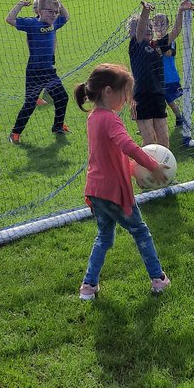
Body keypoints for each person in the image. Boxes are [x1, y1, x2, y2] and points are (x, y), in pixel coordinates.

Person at [75, 63, 171, 300]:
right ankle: (158, 279)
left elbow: (108, 155)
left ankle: (88, 287)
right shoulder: (110, 119)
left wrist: (134, 171)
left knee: (104, 237)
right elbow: (128, 146)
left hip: (96, 190)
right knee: (140, 231)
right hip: (114, 192)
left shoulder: (93, 117)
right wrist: (153, 166)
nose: (128, 99)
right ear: (108, 91)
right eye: (125, 94)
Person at [6, 0, 70, 142]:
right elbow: (9, 19)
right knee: (30, 103)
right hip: (34, 71)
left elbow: (66, 17)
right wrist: (20, 5)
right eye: (49, 11)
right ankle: (15, 133)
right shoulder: (31, 23)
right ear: (39, 11)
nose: (53, 15)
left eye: (55, 12)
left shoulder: (54, 23)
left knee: (62, 97)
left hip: (49, 71)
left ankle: (57, 126)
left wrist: (58, 2)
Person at [128, 0, 190, 147]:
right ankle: (144, 169)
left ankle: (162, 170)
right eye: (145, 26)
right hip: (142, 98)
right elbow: (140, 31)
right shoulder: (136, 45)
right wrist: (145, 12)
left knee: (164, 142)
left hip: (158, 96)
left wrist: (180, 12)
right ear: (133, 31)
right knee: (149, 142)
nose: (148, 28)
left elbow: (175, 31)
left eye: (151, 26)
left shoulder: (156, 45)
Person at [153, 11, 185, 129]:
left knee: (170, 101)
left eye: (162, 24)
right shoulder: (152, 42)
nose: (159, 27)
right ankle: (151, 124)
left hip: (169, 77)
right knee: (156, 101)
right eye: (156, 24)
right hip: (157, 79)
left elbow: (168, 53)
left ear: (167, 26)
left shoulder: (170, 40)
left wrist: (158, 49)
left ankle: (179, 116)